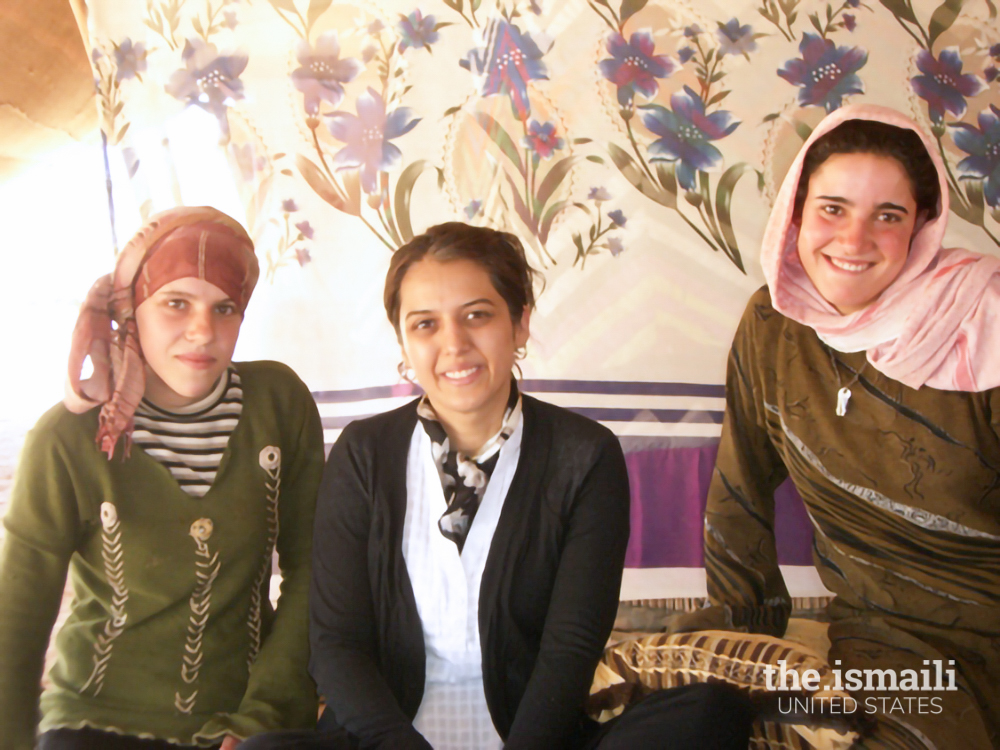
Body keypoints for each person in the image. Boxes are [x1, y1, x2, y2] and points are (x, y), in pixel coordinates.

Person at [242, 222, 753, 750]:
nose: (454, 345)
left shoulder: (584, 455)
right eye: (425, 325)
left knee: (710, 716)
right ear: (403, 341)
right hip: (387, 742)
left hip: (533, 738)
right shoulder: (363, 453)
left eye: (477, 316)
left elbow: (571, 647)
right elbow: (336, 645)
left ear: (520, 322)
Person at [702, 104, 1000, 748]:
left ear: (922, 226)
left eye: (887, 216)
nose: (854, 239)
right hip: (892, 643)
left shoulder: (984, 320)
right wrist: (734, 655)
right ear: (796, 213)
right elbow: (738, 498)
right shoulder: (772, 326)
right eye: (832, 208)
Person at [0, 207, 325, 749]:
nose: (203, 330)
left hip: (246, 720)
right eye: (176, 303)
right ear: (132, 312)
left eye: (225, 308)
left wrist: (262, 717)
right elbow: (17, 618)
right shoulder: (67, 439)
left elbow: (314, 569)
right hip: (93, 721)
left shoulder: (278, 404)